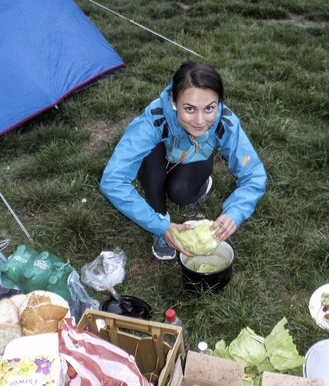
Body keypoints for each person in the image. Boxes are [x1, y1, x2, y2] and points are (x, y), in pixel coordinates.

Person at [100, 62, 266, 260]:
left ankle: (200, 185)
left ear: (218, 102)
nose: (200, 120)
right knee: (149, 156)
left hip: (196, 158)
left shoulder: (225, 121)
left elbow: (254, 174)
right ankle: (161, 219)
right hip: (160, 158)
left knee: (180, 192)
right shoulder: (153, 119)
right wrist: (160, 225)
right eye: (189, 108)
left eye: (209, 108)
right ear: (173, 100)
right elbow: (112, 180)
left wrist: (236, 212)